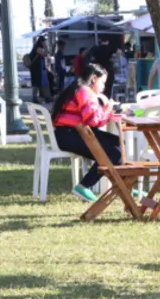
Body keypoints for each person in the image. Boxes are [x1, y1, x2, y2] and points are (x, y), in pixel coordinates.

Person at [50, 63, 122, 202]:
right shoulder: (85, 92)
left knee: (119, 145)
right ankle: (84, 186)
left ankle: (124, 184)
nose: (103, 87)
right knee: (114, 151)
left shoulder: (77, 88)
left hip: (70, 134)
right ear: (94, 79)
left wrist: (104, 108)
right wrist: (108, 108)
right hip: (72, 135)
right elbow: (94, 120)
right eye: (103, 82)